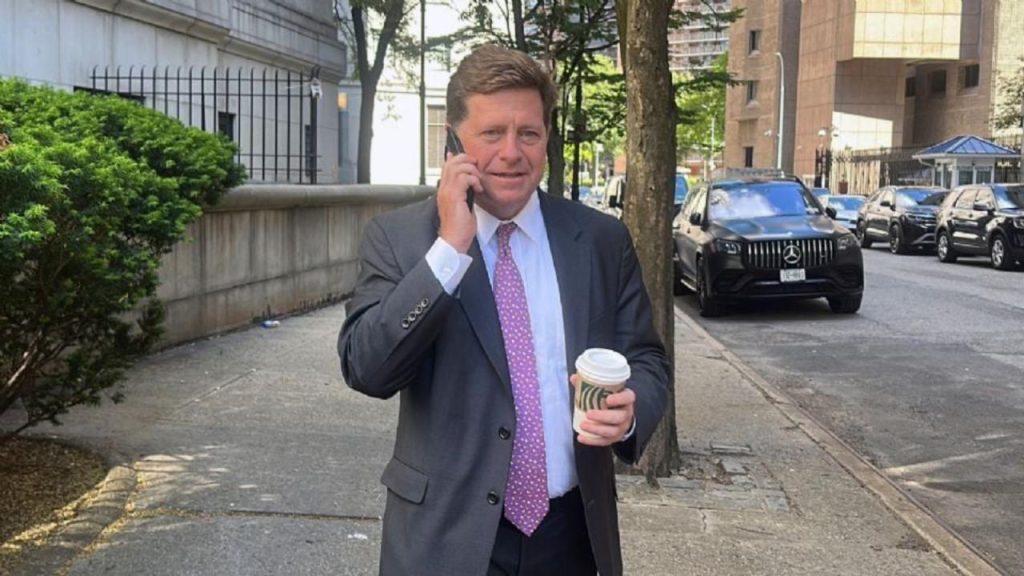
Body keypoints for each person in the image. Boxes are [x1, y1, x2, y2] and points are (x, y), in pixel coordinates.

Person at [338, 44, 669, 576]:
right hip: (445, 540)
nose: (512, 153)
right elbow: (367, 368)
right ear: (454, 140)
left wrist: (630, 414)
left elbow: (647, 359)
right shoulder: (399, 239)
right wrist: (449, 250)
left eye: (528, 134)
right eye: (492, 133)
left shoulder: (600, 240)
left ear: (546, 138)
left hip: (572, 537)